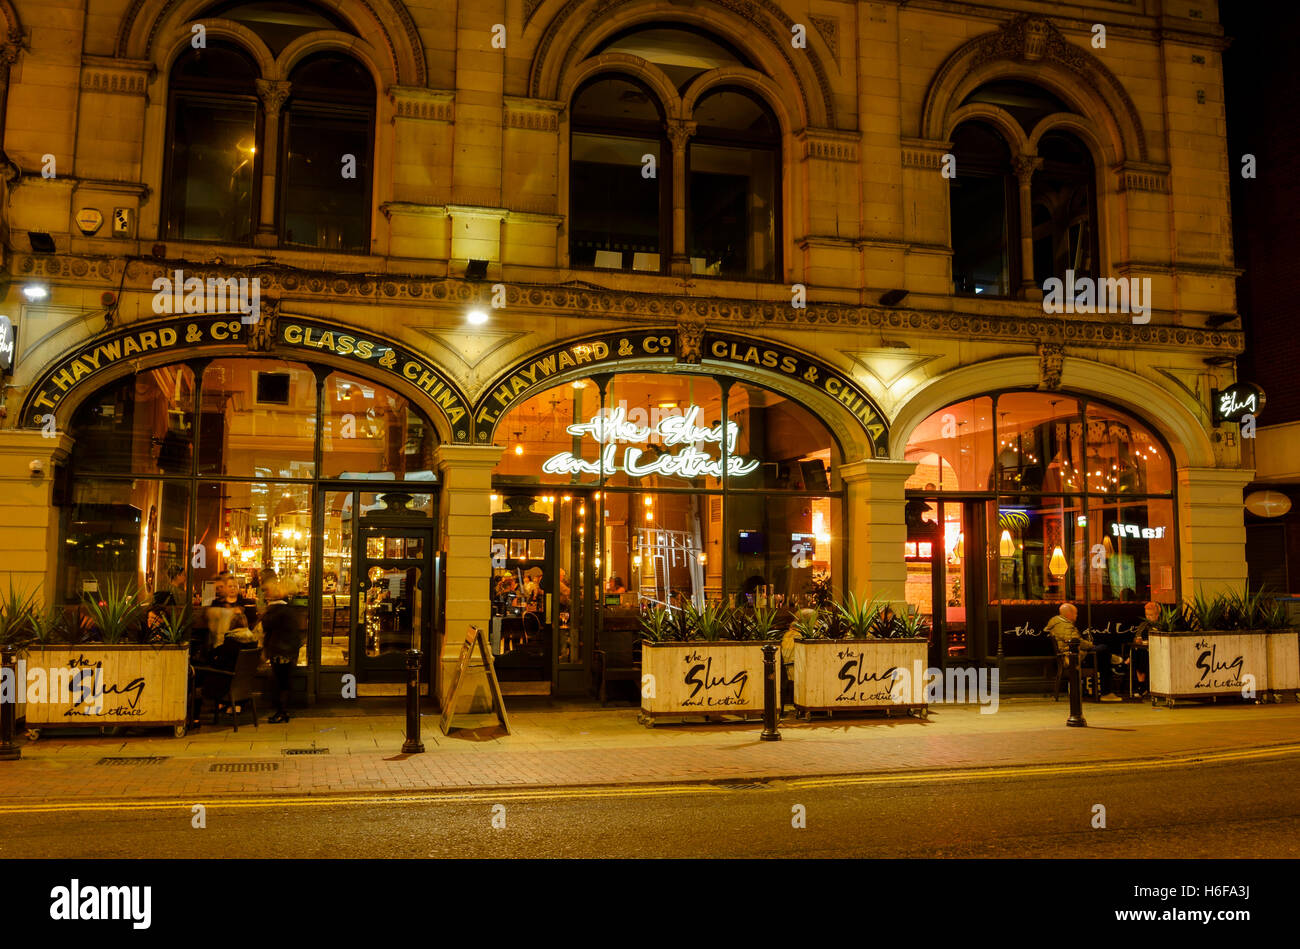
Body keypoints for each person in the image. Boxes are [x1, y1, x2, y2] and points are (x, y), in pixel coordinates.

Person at [1045, 602, 1121, 701]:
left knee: (1103, 654)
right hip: (1073, 659)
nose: (1077, 615)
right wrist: (1091, 645)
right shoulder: (1065, 626)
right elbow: (1076, 642)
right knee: (1103, 650)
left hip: (1071, 656)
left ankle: (1116, 662)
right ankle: (1107, 691)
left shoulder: (1058, 623)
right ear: (1069, 614)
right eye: (1076, 613)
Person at [260, 580, 302, 723]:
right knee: (284, 681)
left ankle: (281, 712)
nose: (266, 595)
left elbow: (266, 624)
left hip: (280, 650)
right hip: (287, 650)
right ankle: (283, 711)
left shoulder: (278, 610)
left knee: (280, 682)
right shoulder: (288, 609)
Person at [1126, 600, 1160, 696]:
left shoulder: (1162, 625)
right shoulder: (1143, 625)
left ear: (1157, 615)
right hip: (1143, 649)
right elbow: (1136, 637)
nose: (1148, 617)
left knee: (1140, 655)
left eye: (1151, 615)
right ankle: (1141, 685)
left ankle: (1141, 685)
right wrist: (1137, 640)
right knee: (1138, 653)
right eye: (1147, 615)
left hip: (1156, 651)